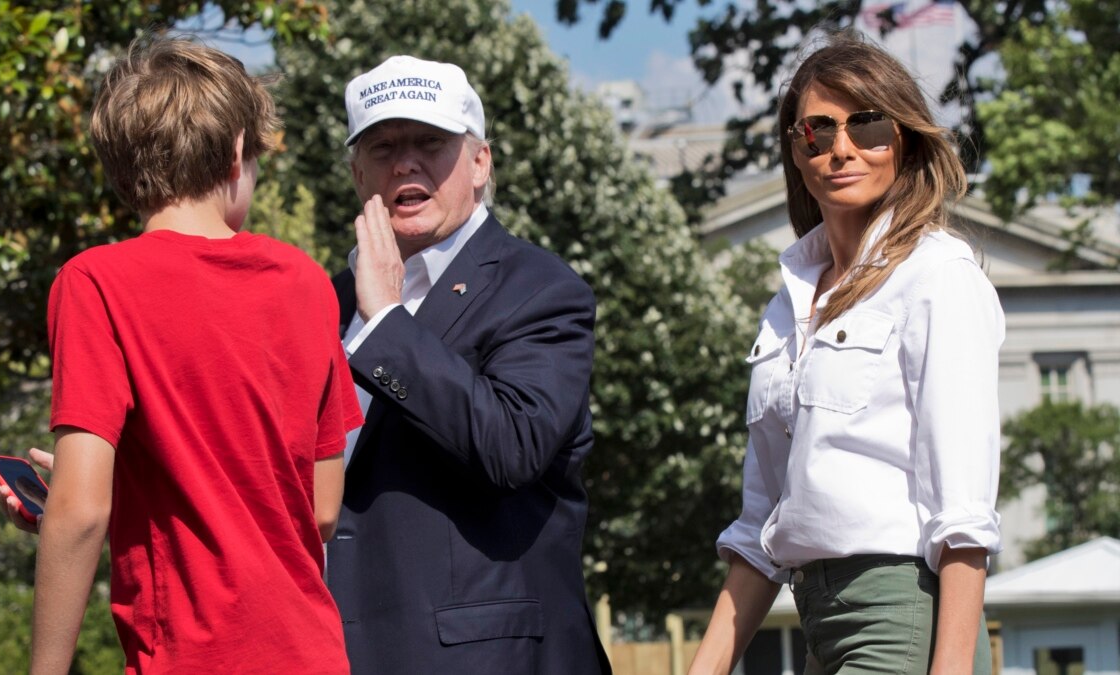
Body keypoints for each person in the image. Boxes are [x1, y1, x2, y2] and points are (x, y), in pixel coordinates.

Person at [0, 36, 362, 674]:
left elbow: (81, 512)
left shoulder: (96, 283)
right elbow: (321, 509)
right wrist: (141, 494)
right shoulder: (306, 281)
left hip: (193, 657)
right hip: (312, 652)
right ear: (239, 152)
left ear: (119, 166)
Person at [688, 34, 1004, 675]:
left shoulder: (937, 275)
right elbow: (760, 527)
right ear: (796, 150)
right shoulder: (787, 307)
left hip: (904, 613)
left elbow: (965, 513)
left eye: (868, 126)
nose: (841, 149)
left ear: (905, 139)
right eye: (817, 131)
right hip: (816, 622)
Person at [328, 55, 611, 674]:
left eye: (430, 142)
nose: (405, 163)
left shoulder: (541, 290)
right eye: (382, 148)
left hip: (489, 657)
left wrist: (384, 326)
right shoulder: (326, 302)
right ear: (357, 172)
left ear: (480, 161)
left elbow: (513, 444)